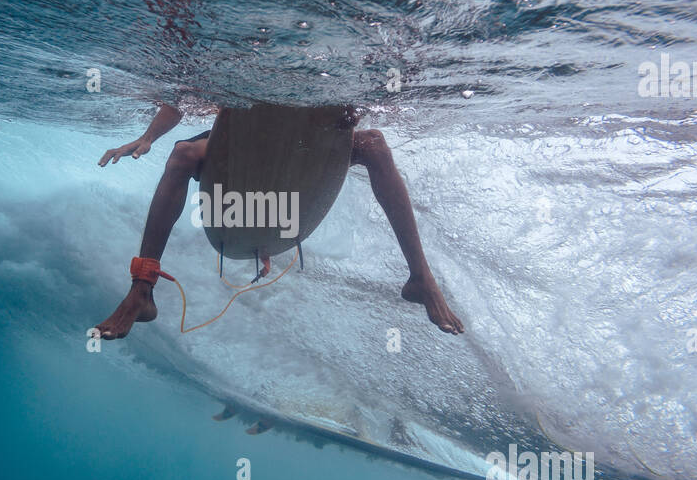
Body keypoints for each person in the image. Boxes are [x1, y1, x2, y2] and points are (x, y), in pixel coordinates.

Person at [95, 101, 463, 338]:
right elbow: (179, 98)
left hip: (303, 141)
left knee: (375, 144)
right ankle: (141, 290)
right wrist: (148, 137)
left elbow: (356, 107)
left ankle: (419, 277)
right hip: (243, 135)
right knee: (184, 154)